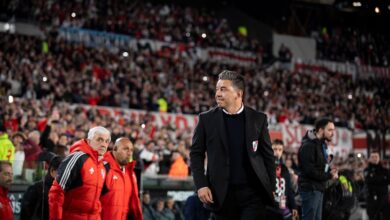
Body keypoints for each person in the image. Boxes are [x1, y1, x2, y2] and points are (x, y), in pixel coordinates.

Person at [190, 70, 276, 219]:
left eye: (223, 89)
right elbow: (196, 154)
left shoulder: (258, 119)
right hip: (221, 195)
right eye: (217, 89)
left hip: (253, 195)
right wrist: (201, 185)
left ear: (238, 94)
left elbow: (268, 155)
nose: (217, 93)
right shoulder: (206, 119)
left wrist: (271, 186)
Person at [49, 126, 111, 220]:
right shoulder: (77, 158)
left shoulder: (102, 166)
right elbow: (57, 192)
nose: (103, 144)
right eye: (99, 139)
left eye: (106, 141)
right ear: (89, 141)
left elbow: (97, 201)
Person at [298, 118, 338, 220]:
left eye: (333, 130)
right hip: (310, 189)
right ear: (320, 130)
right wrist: (329, 175)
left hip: (318, 188)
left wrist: (330, 170)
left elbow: (320, 167)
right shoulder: (309, 146)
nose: (332, 133)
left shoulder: (321, 145)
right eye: (330, 130)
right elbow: (310, 171)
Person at [100, 137, 143, 220]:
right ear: (115, 148)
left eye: (131, 150)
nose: (129, 153)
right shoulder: (103, 168)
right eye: (125, 149)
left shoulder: (131, 174)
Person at [21, 154, 63, 220]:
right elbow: (25, 214)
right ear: (52, 171)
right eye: (63, 172)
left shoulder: (66, 191)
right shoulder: (37, 189)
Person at [272, 139, 298, 219]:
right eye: (275, 149)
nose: (277, 152)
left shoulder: (285, 169)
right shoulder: (267, 166)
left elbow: (289, 189)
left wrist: (294, 206)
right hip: (270, 206)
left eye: (280, 150)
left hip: (283, 206)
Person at [364, 151, 390, 220]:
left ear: (379, 158)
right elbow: (368, 181)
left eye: (376, 156)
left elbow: (388, 181)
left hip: (384, 199)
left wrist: (374, 178)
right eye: (372, 157)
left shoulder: (385, 170)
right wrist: (382, 178)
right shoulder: (366, 170)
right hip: (371, 199)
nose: (374, 158)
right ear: (369, 158)